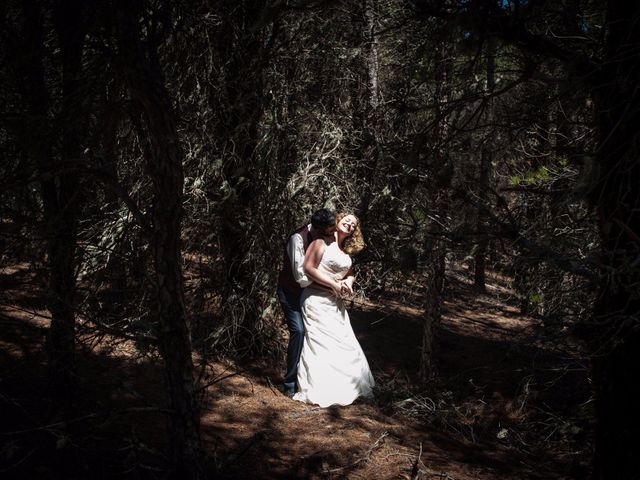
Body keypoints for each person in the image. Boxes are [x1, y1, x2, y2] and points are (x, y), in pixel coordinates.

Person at [293, 212, 375, 407]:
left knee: (343, 341)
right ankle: (321, 387)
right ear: (337, 221)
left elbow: (349, 271)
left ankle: (345, 385)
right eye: (347, 219)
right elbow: (309, 268)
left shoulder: (344, 250)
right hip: (316, 299)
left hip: (335, 303)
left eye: (354, 224)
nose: (350, 224)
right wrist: (334, 285)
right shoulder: (321, 242)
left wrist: (348, 281)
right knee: (321, 342)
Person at [276, 208, 337, 397]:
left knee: (317, 334)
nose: (332, 232)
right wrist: (329, 285)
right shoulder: (298, 238)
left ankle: (313, 380)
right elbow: (300, 277)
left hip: (313, 295)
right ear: (320, 229)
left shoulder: (327, 236)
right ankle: (289, 383)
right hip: (291, 293)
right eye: (329, 230)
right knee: (299, 331)